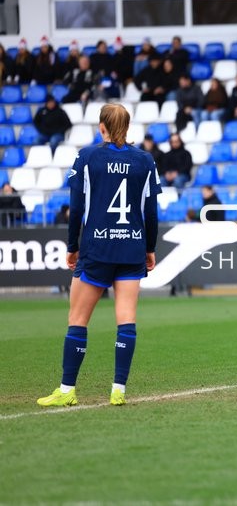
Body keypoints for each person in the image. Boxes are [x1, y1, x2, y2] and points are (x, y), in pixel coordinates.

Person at [36, 103, 161, 408]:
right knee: (127, 319)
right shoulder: (145, 161)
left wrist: (71, 246)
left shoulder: (88, 157)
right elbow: (151, 212)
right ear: (127, 127)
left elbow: (76, 208)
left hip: (98, 247)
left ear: (101, 127)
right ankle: (118, 389)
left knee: (78, 319)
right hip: (131, 247)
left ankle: (67, 390)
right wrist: (149, 248)